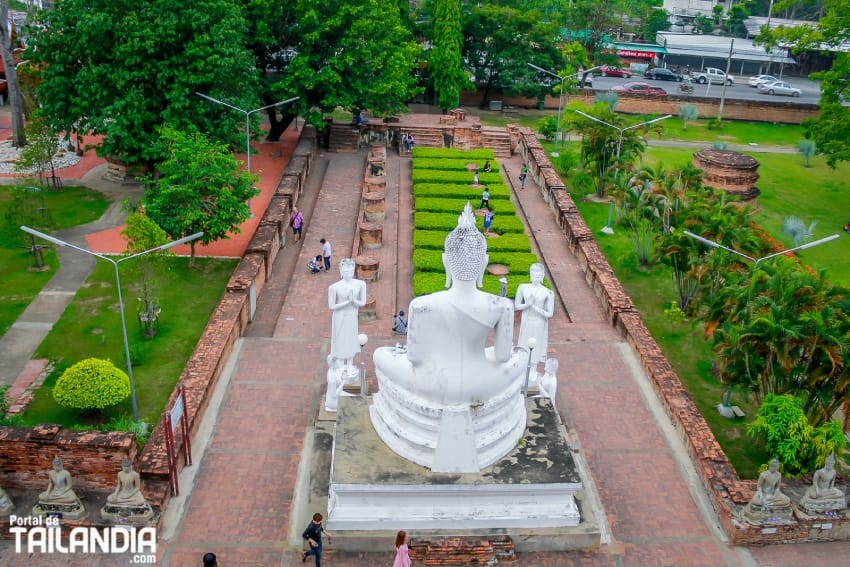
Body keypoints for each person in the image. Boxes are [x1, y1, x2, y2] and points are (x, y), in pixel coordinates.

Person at [328, 258, 367, 369]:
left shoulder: (360, 284)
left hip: (352, 316)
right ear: (341, 271)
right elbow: (331, 306)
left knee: (350, 339)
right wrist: (347, 302)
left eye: (350, 271)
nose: (348, 274)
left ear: (354, 271)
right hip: (340, 316)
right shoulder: (334, 287)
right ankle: (340, 366)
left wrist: (353, 301)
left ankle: (349, 365)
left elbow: (362, 302)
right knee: (340, 339)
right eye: (345, 271)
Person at [515, 263, 555, 366]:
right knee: (523, 344)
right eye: (533, 272)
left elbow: (550, 314)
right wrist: (527, 304)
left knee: (536, 345)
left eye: (538, 273)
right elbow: (517, 306)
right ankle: (522, 366)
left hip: (538, 322)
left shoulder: (548, 292)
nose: (536, 274)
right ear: (530, 273)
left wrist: (534, 307)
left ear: (542, 275)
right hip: (526, 320)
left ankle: (533, 368)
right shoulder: (523, 287)